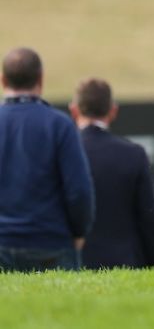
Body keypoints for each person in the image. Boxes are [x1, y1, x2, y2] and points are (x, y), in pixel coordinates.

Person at [0, 47, 94, 272]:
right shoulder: (59, 125)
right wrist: (79, 231)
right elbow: (79, 190)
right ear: (41, 79)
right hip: (50, 245)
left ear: (2, 80)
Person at [69, 77, 154, 269]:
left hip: (71, 264)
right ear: (113, 111)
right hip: (125, 263)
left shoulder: (62, 153)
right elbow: (150, 220)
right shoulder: (133, 155)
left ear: (74, 110)